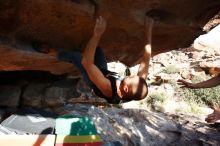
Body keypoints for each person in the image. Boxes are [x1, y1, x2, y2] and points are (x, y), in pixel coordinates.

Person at [34, 16, 153, 104]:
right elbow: (146, 58)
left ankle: (51, 52)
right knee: (97, 50)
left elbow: (87, 62)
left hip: (95, 81)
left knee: (77, 58)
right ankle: (84, 50)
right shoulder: (136, 86)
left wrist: (97, 34)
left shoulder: (108, 89)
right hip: (104, 73)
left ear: (125, 89)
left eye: (130, 77)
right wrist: (148, 30)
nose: (131, 75)